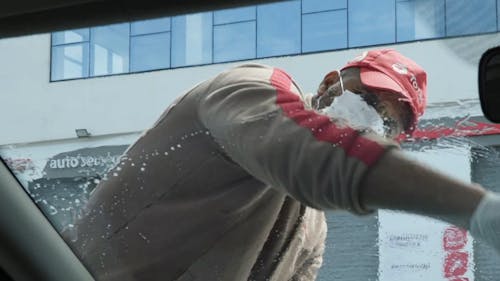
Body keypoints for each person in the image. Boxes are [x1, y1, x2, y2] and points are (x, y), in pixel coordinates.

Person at [65, 49, 499, 281]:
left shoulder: (311, 228)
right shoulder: (247, 90)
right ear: (331, 82)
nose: (371, 121)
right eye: (368, 98)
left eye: (388, 122)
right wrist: (479, 212)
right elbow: (314, 157)